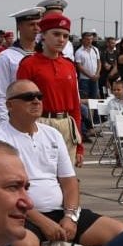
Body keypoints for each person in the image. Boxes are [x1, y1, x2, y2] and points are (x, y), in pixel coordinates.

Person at [0, 79, 123, 246]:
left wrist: (70, 216)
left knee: (119, 235)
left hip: (59, 209)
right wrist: (43, 222)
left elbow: (69, 181)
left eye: (39, 96)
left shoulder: (51, 134)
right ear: (10, 105)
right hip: (21, 212)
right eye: (28, 97)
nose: (36, 101)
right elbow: (4, 191)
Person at [18, 12, 86, 168]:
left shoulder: (69, 65)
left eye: (65, 36)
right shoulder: (29, 64)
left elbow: (75, 104)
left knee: (67, 177)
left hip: (67, 124)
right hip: (40, 123)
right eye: (56, 34)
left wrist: (80, 144)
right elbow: (21, 102)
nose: (61, 39)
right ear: (43, 35)